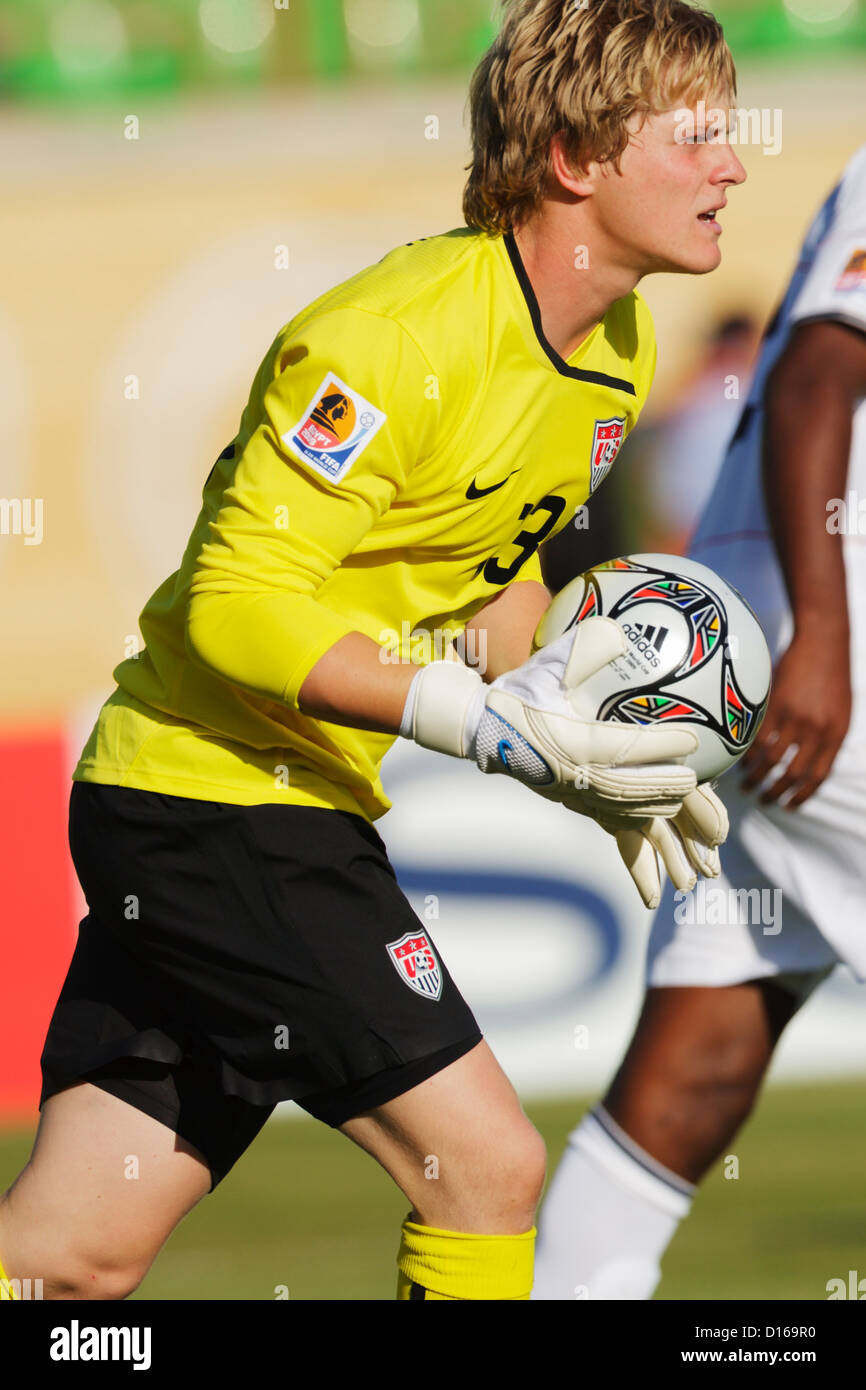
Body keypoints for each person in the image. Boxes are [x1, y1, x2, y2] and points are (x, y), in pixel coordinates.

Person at [0, 0, 742, 1303]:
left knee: (69, 1258)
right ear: (572, 157)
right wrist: (473, 722)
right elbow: (233, 605)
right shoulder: (389, 341)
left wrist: (586, 749)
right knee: (489, 1168)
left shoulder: (612, 352)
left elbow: (491, 581)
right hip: (210, 800)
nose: (730, 164)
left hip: (262, 805)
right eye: (691, 135)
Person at [533, 143, 866, 1302]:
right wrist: (823, 637)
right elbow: (823, 369)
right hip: (835, 662)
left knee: (692, 1076)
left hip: (759, 678)